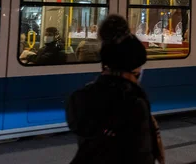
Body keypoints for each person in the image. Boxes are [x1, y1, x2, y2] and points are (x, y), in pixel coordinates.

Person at [66, 14, 165, 164]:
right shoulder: (133, 104)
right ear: (132, 69)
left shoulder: (84, 97)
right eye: (139, 65)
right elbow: (141, 157)